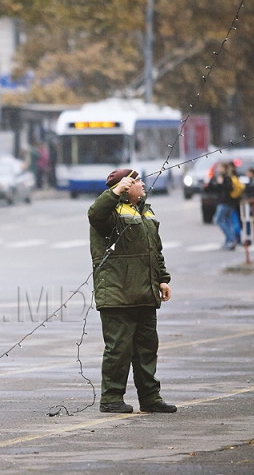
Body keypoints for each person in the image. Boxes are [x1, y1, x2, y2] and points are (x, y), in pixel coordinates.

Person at [88, 168, 177, 414]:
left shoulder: (145, 211)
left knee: (147, 350)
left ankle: (150, 398)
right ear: (126, 187)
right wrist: (116, 191)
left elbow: (154, 251)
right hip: (118, 294)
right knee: (119, 350)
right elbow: (95, 214)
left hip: (144, 292)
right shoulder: (110, 213)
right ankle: (111, 398)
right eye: (138, 182)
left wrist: (162, 279)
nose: (144, 185)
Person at [206, 162, 237, 250]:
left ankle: (231, 239)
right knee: (227, 221)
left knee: (218, 219)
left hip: (225, 203)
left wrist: (221, 183)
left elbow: (228, 189)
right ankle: (229, 241)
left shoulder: (226, 178)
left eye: (221, 168)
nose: (219, 169)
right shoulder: (224, 177)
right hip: (227, 203)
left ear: (224, 168)